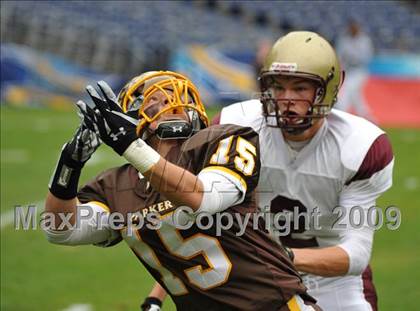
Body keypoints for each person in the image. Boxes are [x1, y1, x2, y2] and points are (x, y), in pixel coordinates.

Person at [44, 71, 321, 310]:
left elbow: (203, 198)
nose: (168, 102)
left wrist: (131, 146)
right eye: (153, 98)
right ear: (129, 116)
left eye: (175, 95)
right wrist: (70, 164)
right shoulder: (116, 186)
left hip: (273, 306)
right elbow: (61, 230)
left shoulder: (222, 140)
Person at [214, 31, 393, 311]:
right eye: (278, 87)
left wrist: (276, 255)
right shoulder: (235, 127)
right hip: (257, 277)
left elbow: (355, 254)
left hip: (333, 281)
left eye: (300, 88)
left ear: (330, 89)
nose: (286, 99)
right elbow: (195, 211)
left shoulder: (359, 146)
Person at [335, 20, 375, 120]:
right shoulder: (344, 40)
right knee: (356, 98)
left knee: (349, 92)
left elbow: (367, 57)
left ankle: (341, 115)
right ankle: (369, 118)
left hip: (359, 71)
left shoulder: (364, 40)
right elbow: (339, 55)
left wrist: (352, 57)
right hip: (348, 72)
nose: (353, 29)